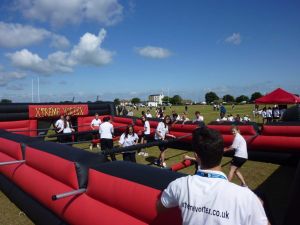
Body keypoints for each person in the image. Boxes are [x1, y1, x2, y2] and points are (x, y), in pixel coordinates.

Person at [157, 126, 269, 225]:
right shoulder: (247, 198)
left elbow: (160, 207)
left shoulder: (179, 185)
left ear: (196, 156)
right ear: (221, 153)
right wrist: (257, 206)